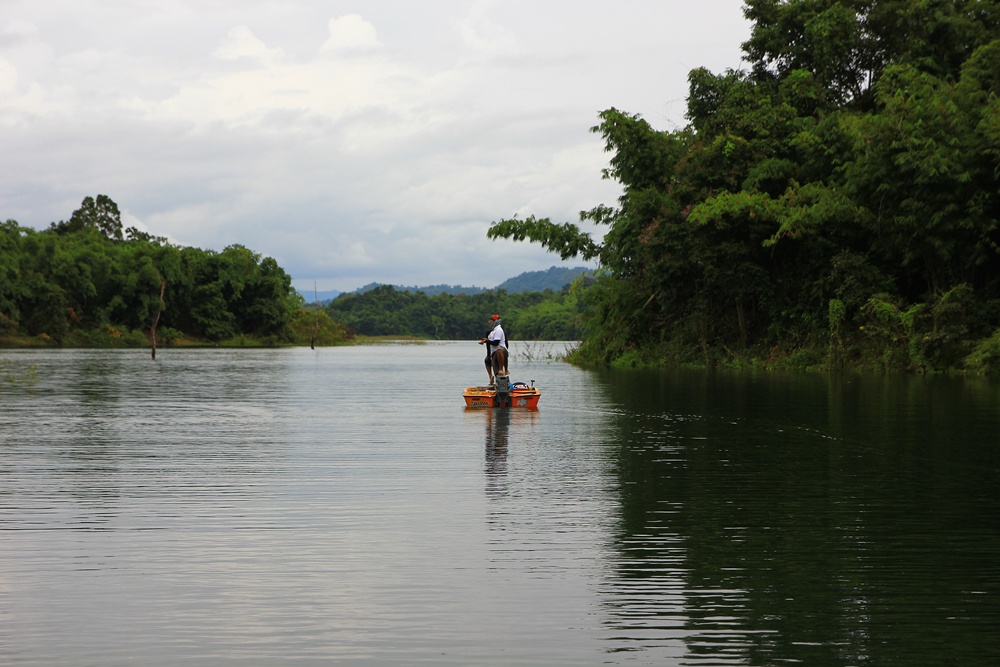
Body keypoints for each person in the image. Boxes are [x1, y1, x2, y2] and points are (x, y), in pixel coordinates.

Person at [478, 314, 508, 384]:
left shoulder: (499, 330)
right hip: (494, 353)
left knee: (499, 350)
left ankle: (501, 369)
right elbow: (489, 344)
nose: (489, 322)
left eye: (491, 320)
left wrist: (486, 341)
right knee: (497, 374)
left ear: (495, 321)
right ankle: (495, 380)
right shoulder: (491, 332)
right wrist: (488, 355)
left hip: (501, 352)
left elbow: (497, 343)